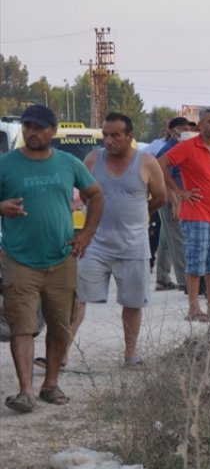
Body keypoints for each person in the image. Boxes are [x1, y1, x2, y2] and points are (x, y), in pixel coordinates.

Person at [0, 105, 104, 413]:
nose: (32, 132)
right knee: (22, 326)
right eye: (28, 127)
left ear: (53, 131)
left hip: (62, 258)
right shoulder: (6, 164)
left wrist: (86, 234)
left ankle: (51, 384)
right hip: (19, 259)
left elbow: (96, 195)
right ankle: (25, 392)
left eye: (39, 127)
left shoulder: (68, 163)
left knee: (60, 326)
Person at [68, 113, 166, 368]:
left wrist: (139, 213)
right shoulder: (93, 159)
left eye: (115, 135)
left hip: (133, 246)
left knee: (132, 303)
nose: (108, 141)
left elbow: (160, 197)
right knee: (76, 299)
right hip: (95, 244)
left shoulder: (146, 162)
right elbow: (85, 194)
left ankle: (130, 355)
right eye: (105, 135)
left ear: (130, 137)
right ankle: (60, 355)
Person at [158, 107, 210, 322]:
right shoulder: (188, 147)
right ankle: (193, 308)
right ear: (200, 125)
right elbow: (161, 164)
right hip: (196, 215)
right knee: (196, 263)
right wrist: (179, 192)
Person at [153, 117, 195, 291]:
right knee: (178, 239)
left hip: (177, 197)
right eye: (182, 128)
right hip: (172, 198)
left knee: (166, 239)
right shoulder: (169, 150)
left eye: (188, 128)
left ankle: (162, 279)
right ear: (171, 131)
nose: (186, 131)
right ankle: (185, 280)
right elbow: (163, 178)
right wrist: (175, 203)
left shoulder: (182, 147)